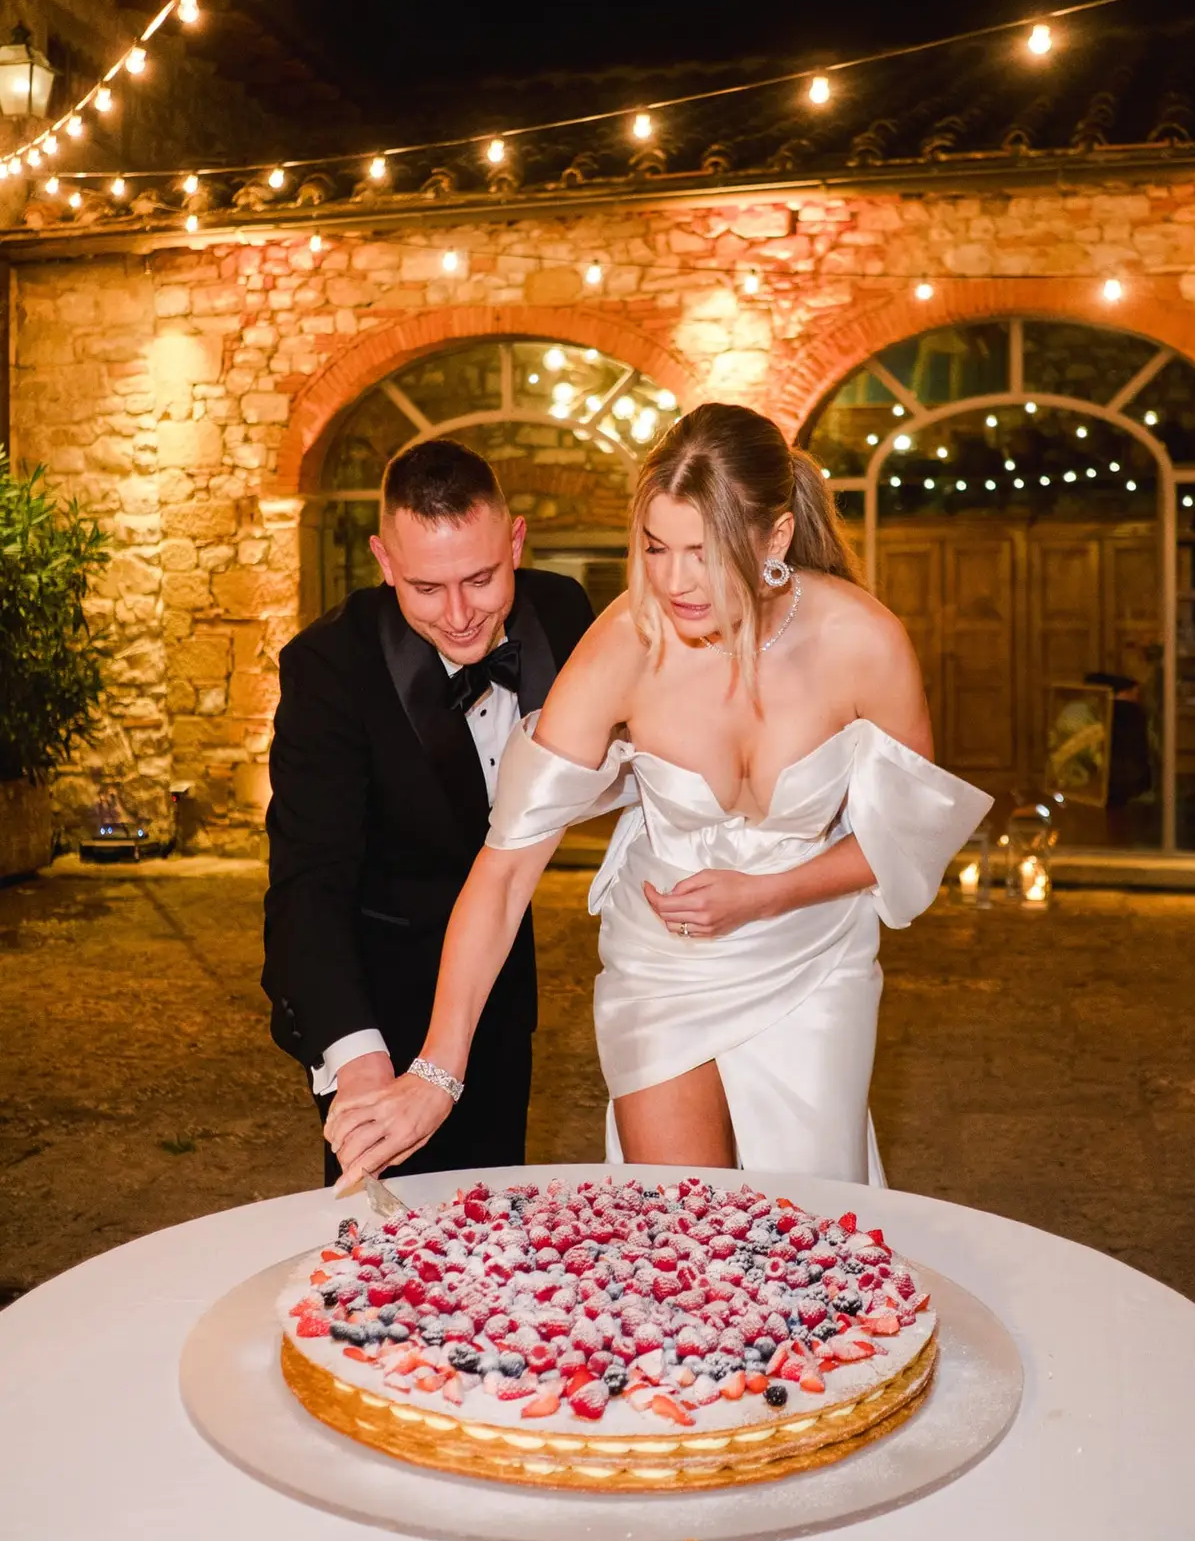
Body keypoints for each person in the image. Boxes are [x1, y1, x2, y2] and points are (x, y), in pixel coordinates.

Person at [325, 404, 992, 1187]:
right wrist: (436, 1073)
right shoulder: (622, 647)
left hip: (814, 958)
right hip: (660, 964)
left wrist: (768, 894)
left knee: (806, 1221)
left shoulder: (863, 642)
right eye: (655, 548)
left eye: (703, 553)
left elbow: (907, 840)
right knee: (682, 1221)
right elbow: (505, 871)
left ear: (774, 539)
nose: (674, 582)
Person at [262, 437, 594, 1183]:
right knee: (386, 1251)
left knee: (497, 1214)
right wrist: (357, 1062)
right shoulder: (328, 668)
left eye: (481, 579)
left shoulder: (566, 615)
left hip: (501, 984)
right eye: (425, 589)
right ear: (384, 563)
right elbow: (308, 883)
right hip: (377, 994)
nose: (459, 616)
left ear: (515, 542)